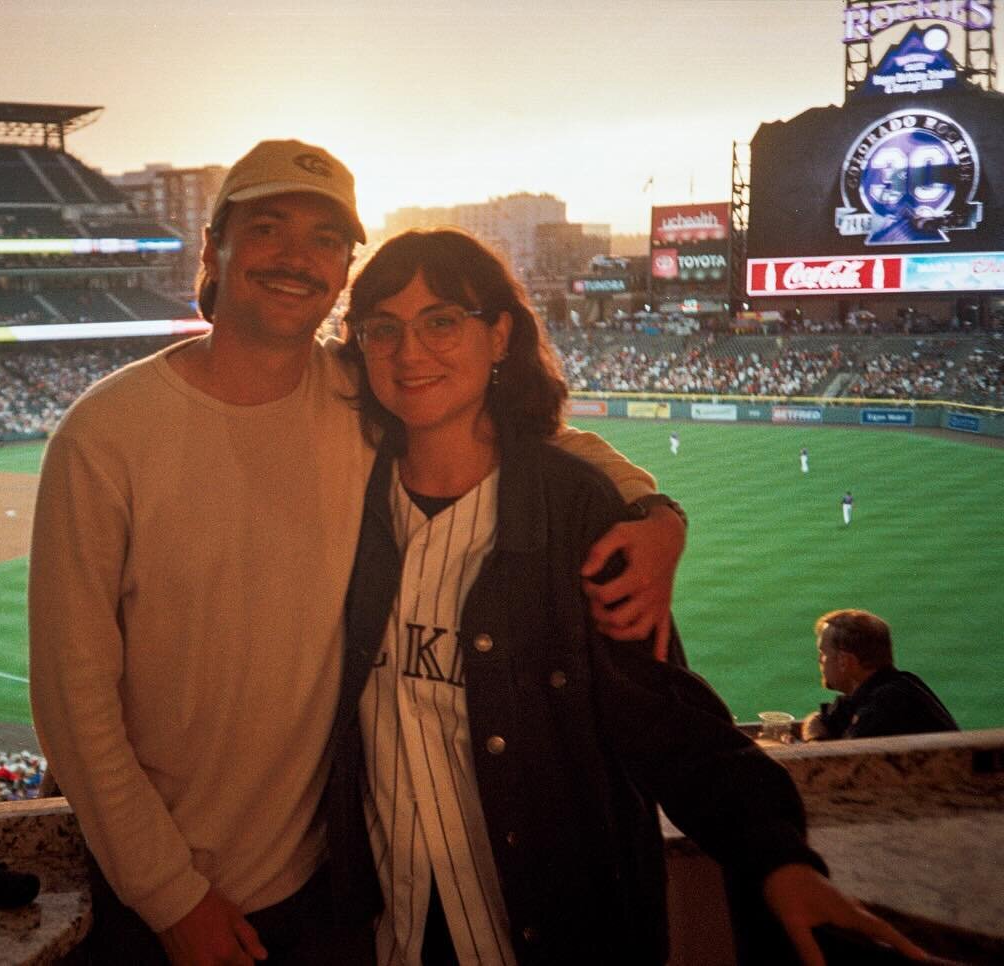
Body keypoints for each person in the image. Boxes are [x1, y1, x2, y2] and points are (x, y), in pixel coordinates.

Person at [30, 140, 687, 965]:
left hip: (328, 890)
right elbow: (70, 696)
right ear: (214, 248)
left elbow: (520, 432)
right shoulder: (104, 434)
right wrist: (171, 896)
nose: (297, 258)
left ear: (342, 270)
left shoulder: (356, 389)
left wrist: (655, 512)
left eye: (325, 240)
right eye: (268, 228)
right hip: (158, 902)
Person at [323, 229, 929, 965]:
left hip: (557, 933)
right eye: (382, 329)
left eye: (442, 320)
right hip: (388, 930)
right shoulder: (342, 496)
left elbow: (666, 720)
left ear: (500, 336)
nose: (410, 352)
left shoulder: (575, 509)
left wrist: (778, 859)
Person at [802, 609, 958, 741]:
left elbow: (835, 767)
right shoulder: (892, 686)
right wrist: (814, 726)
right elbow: (821, 720)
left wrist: (813, 739)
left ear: (844, 661)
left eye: (823, 653)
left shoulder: (887, 705)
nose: (819, 660)